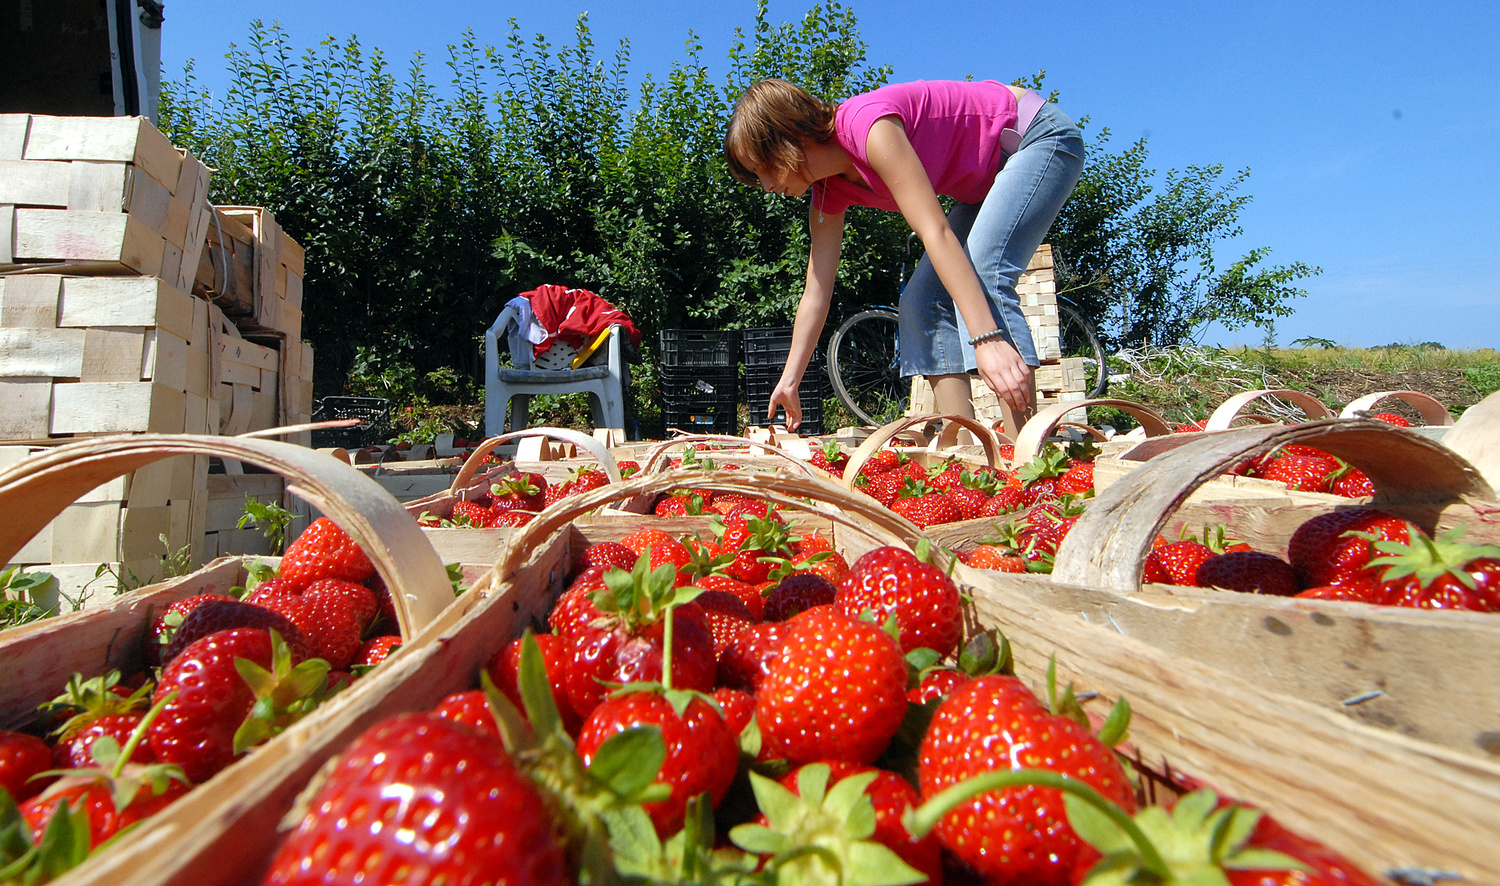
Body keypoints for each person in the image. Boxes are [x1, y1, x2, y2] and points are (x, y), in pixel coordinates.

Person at [723, 77, 1084, 432]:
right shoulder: (828, 193)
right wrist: (790, 380)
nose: (767, 186)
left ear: (790, 137)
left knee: (984, 273)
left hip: (1034, 137)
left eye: (765, 169)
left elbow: (935, 231)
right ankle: (967, 444)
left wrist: (986, 338)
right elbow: (816, 291)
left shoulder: (868, 128)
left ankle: (1027, 458)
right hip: (988, 179)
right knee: (920, 301)